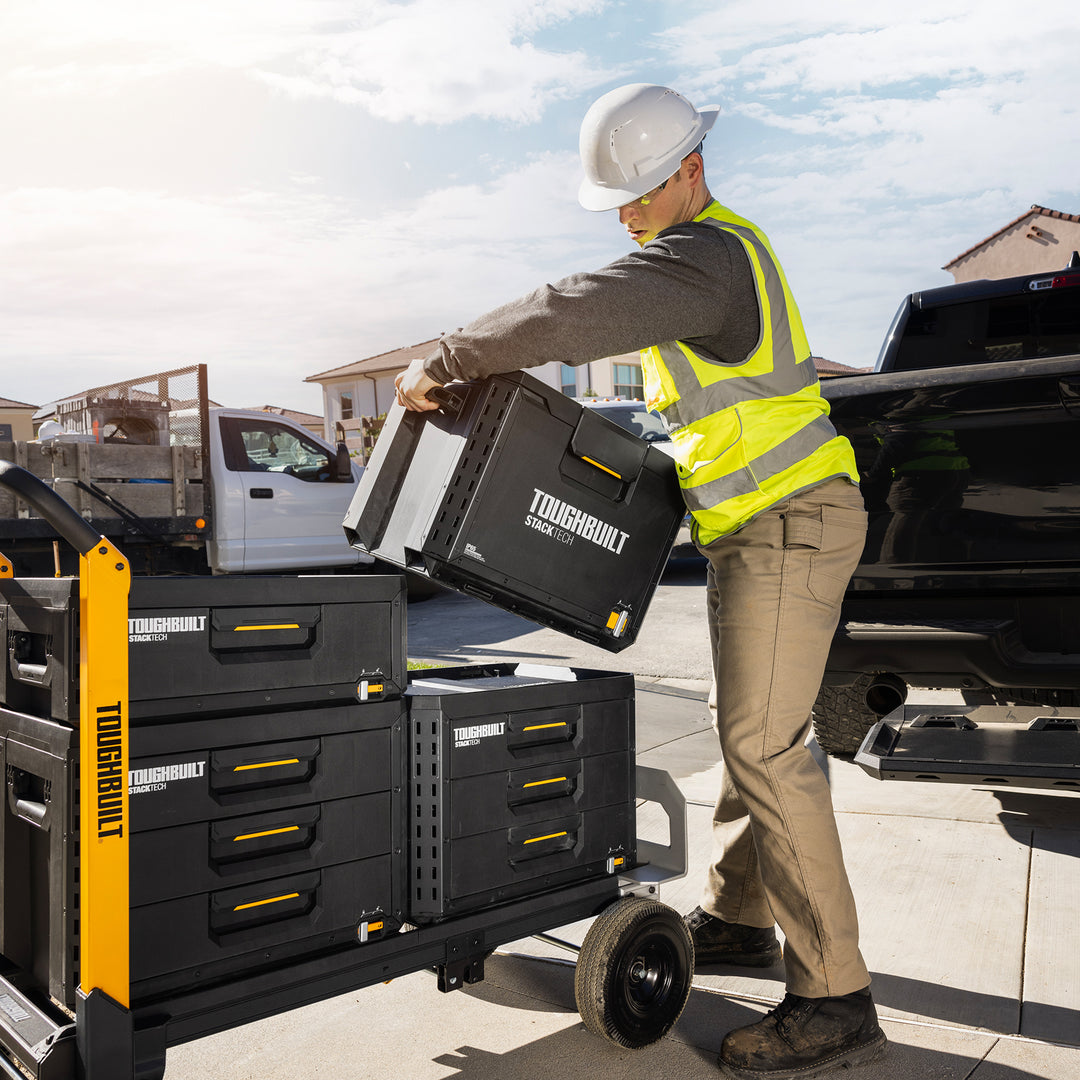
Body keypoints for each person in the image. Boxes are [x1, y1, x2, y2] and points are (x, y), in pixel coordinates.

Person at [396, 83, 886, 1079]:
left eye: (636, 194)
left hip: (789, 521)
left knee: (762, 743)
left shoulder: (703, 259)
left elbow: (571, 310)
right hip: (761, 524)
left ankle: (836, 997)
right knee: (755, 724)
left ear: (690, 171)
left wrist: (449, 354)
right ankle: (743, 918)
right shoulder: (709, 259)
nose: (625, 214)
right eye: (615, 200)